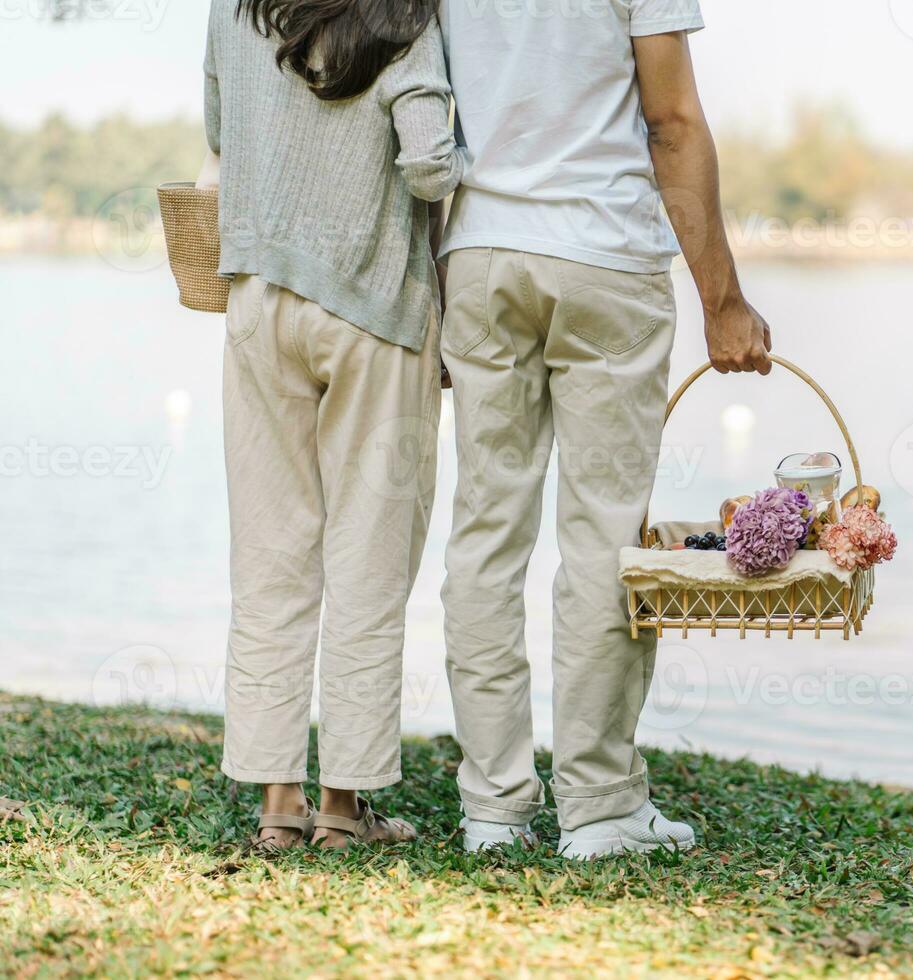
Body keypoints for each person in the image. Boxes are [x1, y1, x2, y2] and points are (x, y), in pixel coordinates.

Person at [437, 0, 773, 859]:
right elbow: (672, 121)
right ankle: (599, 808)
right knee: (603, 539)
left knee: (485, 532)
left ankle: (494, 809)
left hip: (480, 255)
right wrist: (722, 298)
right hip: (603, 254)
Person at [205, 0, 464, 850]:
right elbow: (428, 167)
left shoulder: (232, 8)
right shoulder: (407, 16)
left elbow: (220, 128)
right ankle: (344, 810)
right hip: (372, 311)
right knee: (368, 557)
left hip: (257, 298)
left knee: (270, 555)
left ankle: (279, 806)